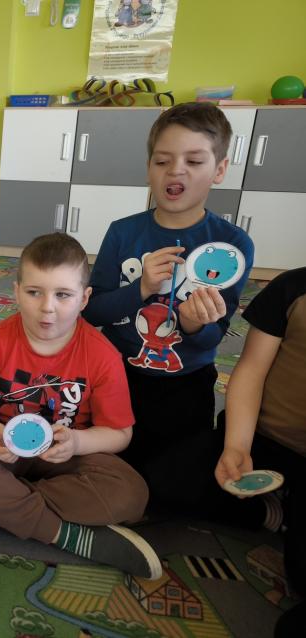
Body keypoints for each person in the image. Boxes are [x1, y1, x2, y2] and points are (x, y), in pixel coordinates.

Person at [0, 233, 161, 579]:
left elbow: (119, 433)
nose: (47, 307)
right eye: (34, 292)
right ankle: (63, 534)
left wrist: (77, 442)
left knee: (131, 493)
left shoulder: (102, 355)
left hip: (66, 459)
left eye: (63, 295)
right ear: (16, 292)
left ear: (84, 298)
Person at [82, 102, 254, 509]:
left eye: (194, 161)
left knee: (173, 490)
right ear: (149, 168)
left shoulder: (231, 246)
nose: (176, 171)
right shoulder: (123, 233)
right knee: (98, 469)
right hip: (117, 376)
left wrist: (194, 324)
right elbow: (93, 312)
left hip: (186, 384)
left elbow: (215, 335)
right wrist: (140, 288)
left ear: (219, 170)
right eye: (163, 161)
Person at [213, 268, 306, 638]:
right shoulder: (292, 288)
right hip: (261, 438)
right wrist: (237, 445)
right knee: (165, 482)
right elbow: (251, 369)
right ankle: (275, 510)